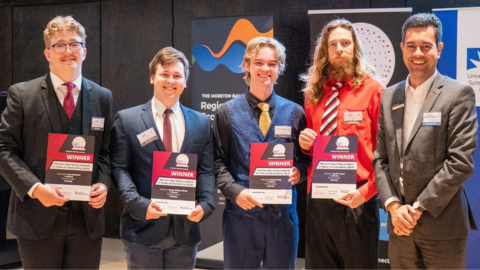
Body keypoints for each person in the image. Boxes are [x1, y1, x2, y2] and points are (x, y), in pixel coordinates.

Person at [0, 16, 112, 269]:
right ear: (47, 53)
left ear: (84, 51)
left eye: (74, 44)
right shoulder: (22, 94)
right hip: (36, 216)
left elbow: (105, 152)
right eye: (59, 45)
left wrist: (103, 184)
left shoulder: (103, 97)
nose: (67, 51)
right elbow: (4, 149)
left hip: (87, 220)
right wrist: (37, 189)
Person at [373, 13, 477, 269]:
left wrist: (416, 209)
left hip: (443, 227)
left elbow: (460, 163)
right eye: (411, 46)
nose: (417, 53)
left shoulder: (458, 94)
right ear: (402, 48)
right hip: (400, 230)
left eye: (425, 46)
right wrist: (394, 206)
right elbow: (380, 159)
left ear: (439, 49)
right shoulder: (388, 96)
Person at [110, 47, 215, 269]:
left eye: (177, 75)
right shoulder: (128, 120)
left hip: (185, 231)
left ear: (185, 81)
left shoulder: (202, 123)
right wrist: (138, 205)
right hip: (142, 228)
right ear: (152, 77)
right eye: (164, 74)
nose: (171, 81)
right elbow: (119, 168)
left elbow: (205, 170)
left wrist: (206, 204)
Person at [213, 36, 311, 269]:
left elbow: (306, 158)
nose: (265, 69)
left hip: (282, 218)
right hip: (241, 217)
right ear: (247, 65)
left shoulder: (295, 112)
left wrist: (299, 171)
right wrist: (235, 191)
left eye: (272, 63)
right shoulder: (226, 113)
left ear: (280, 69)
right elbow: (217, 163)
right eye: (258, 62)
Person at [299, 19, 384, 269]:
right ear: (324, 50)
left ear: (355, 48)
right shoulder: (313, 93)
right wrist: (306, 144)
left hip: (357, 196)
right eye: (332, 44)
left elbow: (387, 151)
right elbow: (312, 145)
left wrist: (366, 193)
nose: (339, 49)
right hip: (319, 197)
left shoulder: (373, 90)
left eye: (345, 43)